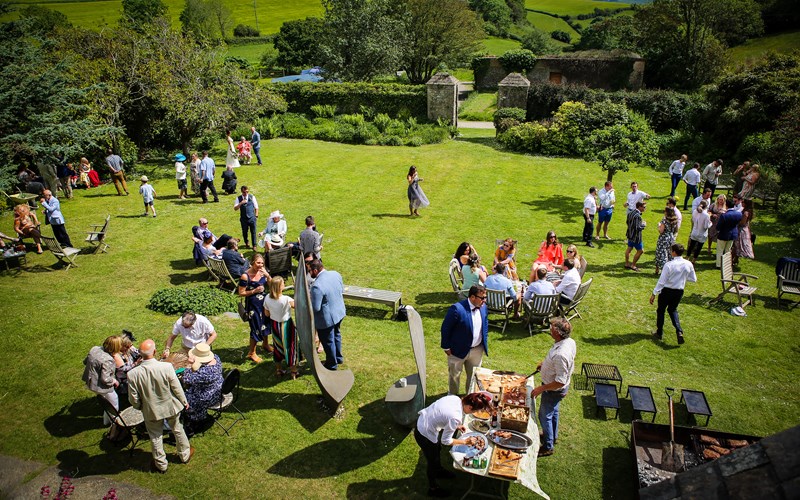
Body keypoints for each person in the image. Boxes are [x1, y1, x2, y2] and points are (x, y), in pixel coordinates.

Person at [127, 339, 193, 473]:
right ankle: (184, 455)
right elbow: (176, 387)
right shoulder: (166, 367)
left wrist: (140, 406)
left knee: (155, 436)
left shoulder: (132, 374)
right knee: (178, 429)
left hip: (151, 410)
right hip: (170, 406)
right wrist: (184, 401)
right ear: (155, 352)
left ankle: (161, 464)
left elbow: (133, 398)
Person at [414, 392, 494, 497]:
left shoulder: (455, 398)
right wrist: (466, 441)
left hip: (424, 422)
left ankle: (439, 471)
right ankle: (433, 488)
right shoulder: (455, 417)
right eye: (474, 411)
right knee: (432, 461)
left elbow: (443, 414)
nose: (472, 413)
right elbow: (446, 441)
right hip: (424, 433)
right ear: (470, 407)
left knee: (437, 450)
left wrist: (457, 426)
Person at [530, 317, 576, 457]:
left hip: (554, 390)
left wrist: (541, 389)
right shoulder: (569, 342)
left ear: (557, 332)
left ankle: (548, 446)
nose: (549, 329)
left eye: (551, 328)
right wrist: (545, 365)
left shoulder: (561, 355)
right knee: (553, 412)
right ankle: (552, 436)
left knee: (544, 416)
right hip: (557, 390)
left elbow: (560, 381)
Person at [440, 285, 489, 395]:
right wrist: (446, 347)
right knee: (454, 376)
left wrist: (483, 342)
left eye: (485, 298)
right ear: (472, 297)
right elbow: (446, 328)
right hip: (457, 350)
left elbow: (485, 324)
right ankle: (452, 397)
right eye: (482, 298)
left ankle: (470, 397)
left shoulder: (484, 307)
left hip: (477, 350)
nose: (484, 301)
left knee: (473, 377)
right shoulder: (457, 309)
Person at [650, 244, 696, 345]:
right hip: (679, 292)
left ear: (674, 252)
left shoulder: (669, 265)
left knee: (661, 310)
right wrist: (682, 277)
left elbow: (661, 281)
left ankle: (659, 333)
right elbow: (693, 279)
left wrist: (654, 293)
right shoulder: (688, 264)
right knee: (672, 310)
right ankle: (679, 331)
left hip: (666, 291)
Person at [309, 259, 346, 370]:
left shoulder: (317, 286)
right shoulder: (336, 274)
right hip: (339, 312)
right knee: (336, 335)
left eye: (310, 271)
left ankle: (331, 364)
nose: (309, 273)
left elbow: (316, 307)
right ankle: (338, 358)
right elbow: (341, 290)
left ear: (315, 270)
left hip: (326, 319)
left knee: (328, 341)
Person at [182, 342, 223, 433]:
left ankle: (195, 419)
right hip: (218, 390)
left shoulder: (204, 372)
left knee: (182, 398)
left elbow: (186, 379)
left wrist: (189, 365)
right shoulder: (216, 358)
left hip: (207, 397)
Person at [239, 253, 272, 363]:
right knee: (256, 327)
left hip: (264, 303)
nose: (260, 265)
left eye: (262, 263)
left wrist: (267, 275)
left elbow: (272, 285)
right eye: (258, 263)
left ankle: (265, 344)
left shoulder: (263, 272)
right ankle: (251, 352)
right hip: (253, 305)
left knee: (266, 323)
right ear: (252, 262)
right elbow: (241, 293)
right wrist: (254, 291)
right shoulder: (245, 276)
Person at [264, 276, 299, 379]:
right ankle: (294, 371)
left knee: (277, 347)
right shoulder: (286, 299)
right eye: (283, 283)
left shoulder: (267, 297)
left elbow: (266, 314)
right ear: (279, 287)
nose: (284, 284)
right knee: (290, 346)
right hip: (287, 325)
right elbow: (298, 306)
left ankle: (279, 370)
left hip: (275, 325)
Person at [82, 335, 122, 424]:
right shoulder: (108, 360)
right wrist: (114, 381)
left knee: (106, 401)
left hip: (90, 381)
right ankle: (115, 422)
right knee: (113, 403)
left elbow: (85, 361)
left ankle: (106, 421)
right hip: (99, 386)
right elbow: (105, 379)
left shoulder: (94, 349)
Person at [715, 200, 743, 268]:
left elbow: (718, 226)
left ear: (726, 205)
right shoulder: (739, 214)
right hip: (733, 234)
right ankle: (726, 264)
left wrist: (718, 230)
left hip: (723, 234)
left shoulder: (724, 215)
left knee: (720, 250)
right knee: (728, 250)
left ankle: (719, 265)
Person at [654, 206, 679, 274]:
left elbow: (661, 231)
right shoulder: (675, 220)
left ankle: (661, 270)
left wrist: (659, 226)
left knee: (661, 253)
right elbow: (676, 230)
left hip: (664, 238)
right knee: (670, 254)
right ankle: (670, 270)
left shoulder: (664, 221)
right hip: (671, 238)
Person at [625, 201, 647, 272]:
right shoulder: (637, 216)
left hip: (630, 235)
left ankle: (627, 263)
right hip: (636, 237)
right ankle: (633, 265)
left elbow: (627, 222)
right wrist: (643, 225)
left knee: (629, 249)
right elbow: (638, 228)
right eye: (644, 207)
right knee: (640, 251)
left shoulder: (630, 213)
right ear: (639, 207)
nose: (645, 208)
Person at [732, 199, 755, 265]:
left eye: (743, 202)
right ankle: (735, 259)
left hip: (741, 230)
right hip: (746, 229)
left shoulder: (745, 213)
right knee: (738, 245)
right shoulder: (748, 211)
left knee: (736, 245)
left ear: (746, 204)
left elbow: (742, 223)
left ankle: (732, 259)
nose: (741, 203)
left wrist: (736, 222)